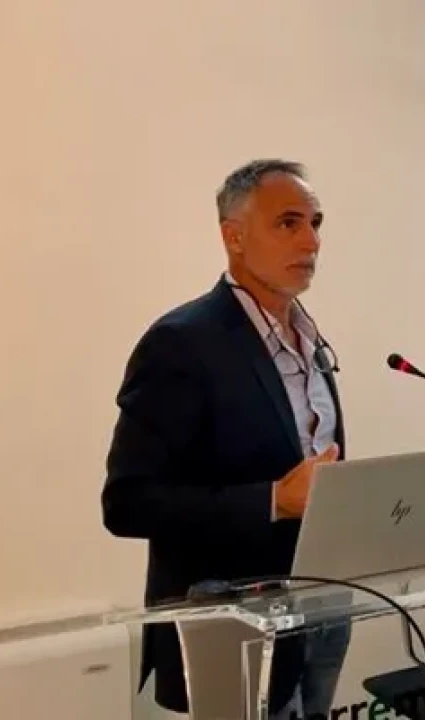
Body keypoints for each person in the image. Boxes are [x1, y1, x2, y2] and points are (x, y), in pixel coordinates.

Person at [102, 159, 349, 718]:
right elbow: (127, 503)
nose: (311, 240)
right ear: (233, 236)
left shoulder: (310, 339)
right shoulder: (182, 343)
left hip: (320, 612)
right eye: (288, 223)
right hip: (232, 631)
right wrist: (273, 500)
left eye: (315, 222)